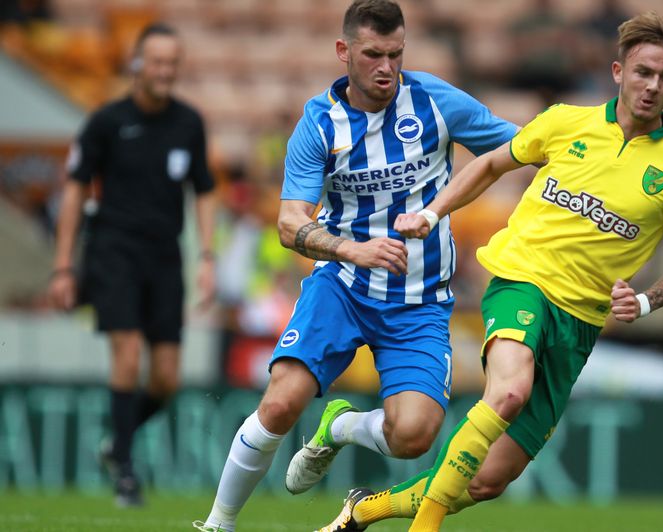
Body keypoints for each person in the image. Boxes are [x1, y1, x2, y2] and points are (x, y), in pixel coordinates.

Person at [317, 11, 663, 532]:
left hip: (581, 321)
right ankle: (424, 526)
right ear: (618, 71)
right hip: (521, 282)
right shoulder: (566, 121)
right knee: (506, 392)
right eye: (644, 72)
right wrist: (434, 213)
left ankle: (363, 511)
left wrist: (644, 301)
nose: (653, 86)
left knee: (487, 481)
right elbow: (488, 165)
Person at [194, 1, 517, 530]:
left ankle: (340, 428)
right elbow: (288, 223)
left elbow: (519, 145)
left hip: (419, 301)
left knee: (414, 435)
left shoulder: (435, 101)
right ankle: (218, 523)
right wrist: (351, 250)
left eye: (395, 54)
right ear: (345, 52)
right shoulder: (318, 125)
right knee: (280, 404)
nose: (386, 67)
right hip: (341, 287)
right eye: (373, 54)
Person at [47, 22, 216, 507]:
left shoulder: (189, 122)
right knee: (126, 352)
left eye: (172, 63)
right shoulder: (106, 121)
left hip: (165, 256)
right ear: (137, 65)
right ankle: (125, 473)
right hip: (113, 252)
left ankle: (116, 443)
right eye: (157, 61)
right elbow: (76, 188)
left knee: (166, 379)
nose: (165, 71)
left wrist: (206, 257)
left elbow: (203, 191)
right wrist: (63, 266)